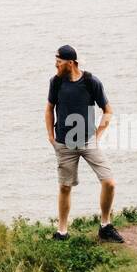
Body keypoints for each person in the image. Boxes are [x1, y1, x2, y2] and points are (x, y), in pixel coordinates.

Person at [45, 44, 123, 242]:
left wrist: (97, 135)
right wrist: (51, 136)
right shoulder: (56, 82)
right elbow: (49, 109)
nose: (56, 65)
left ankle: (105, 226)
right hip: (64, 144)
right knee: (65, 187)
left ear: (70, 63)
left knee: (109, 182)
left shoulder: (90, 82)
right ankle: (62, 232)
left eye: (59, 62)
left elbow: (108, 110)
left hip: (88, 141)